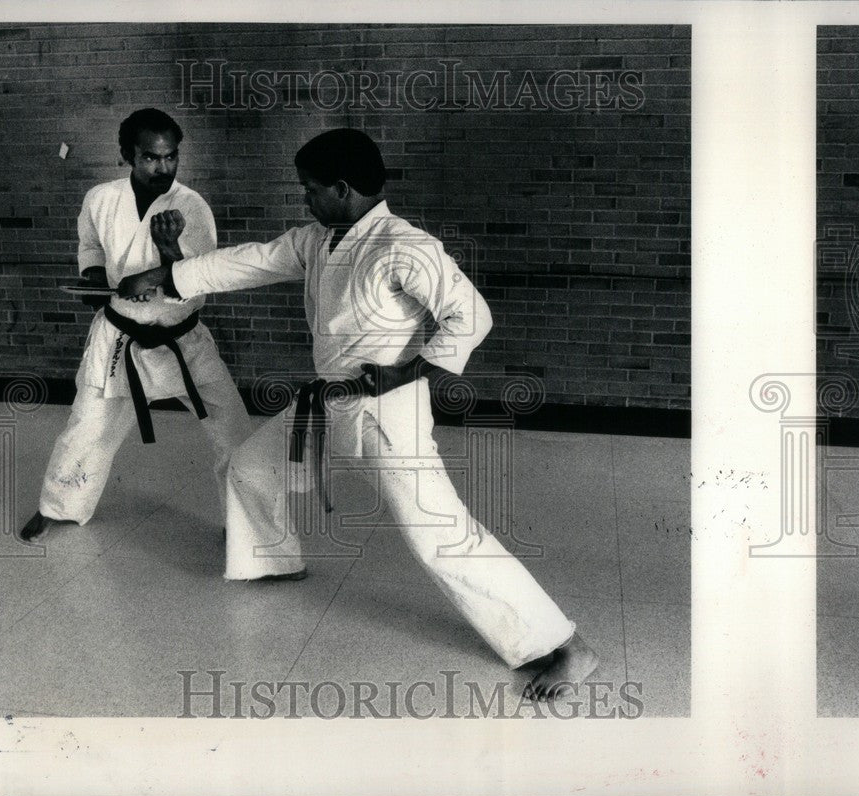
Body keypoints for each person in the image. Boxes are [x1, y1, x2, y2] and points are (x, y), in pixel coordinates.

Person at [118, 128, 598, 700]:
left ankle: (567, 646)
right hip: (329, 400)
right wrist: (165, 277)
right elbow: (249, 262)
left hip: (385, 413)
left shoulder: (404, 246)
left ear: (342, 189)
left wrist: (403, 371)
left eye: (311, 190)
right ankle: (272, 560)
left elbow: (471, 316)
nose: (305, 200)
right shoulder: (320, 239)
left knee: (440, 535)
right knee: (250, 468)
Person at [18, 108, 253, 542]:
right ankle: (60, 505)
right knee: (87, 425)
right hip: (119, 336)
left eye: (171, 157)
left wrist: (168, 250)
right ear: (128, 154)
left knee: (233, 430)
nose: (163, 167)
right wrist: (92, 282)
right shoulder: (100, 199)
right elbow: (90, 249)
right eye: (150, 157)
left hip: (181, 338)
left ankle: (247, 525)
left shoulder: (191, 207)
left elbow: (199, 281)